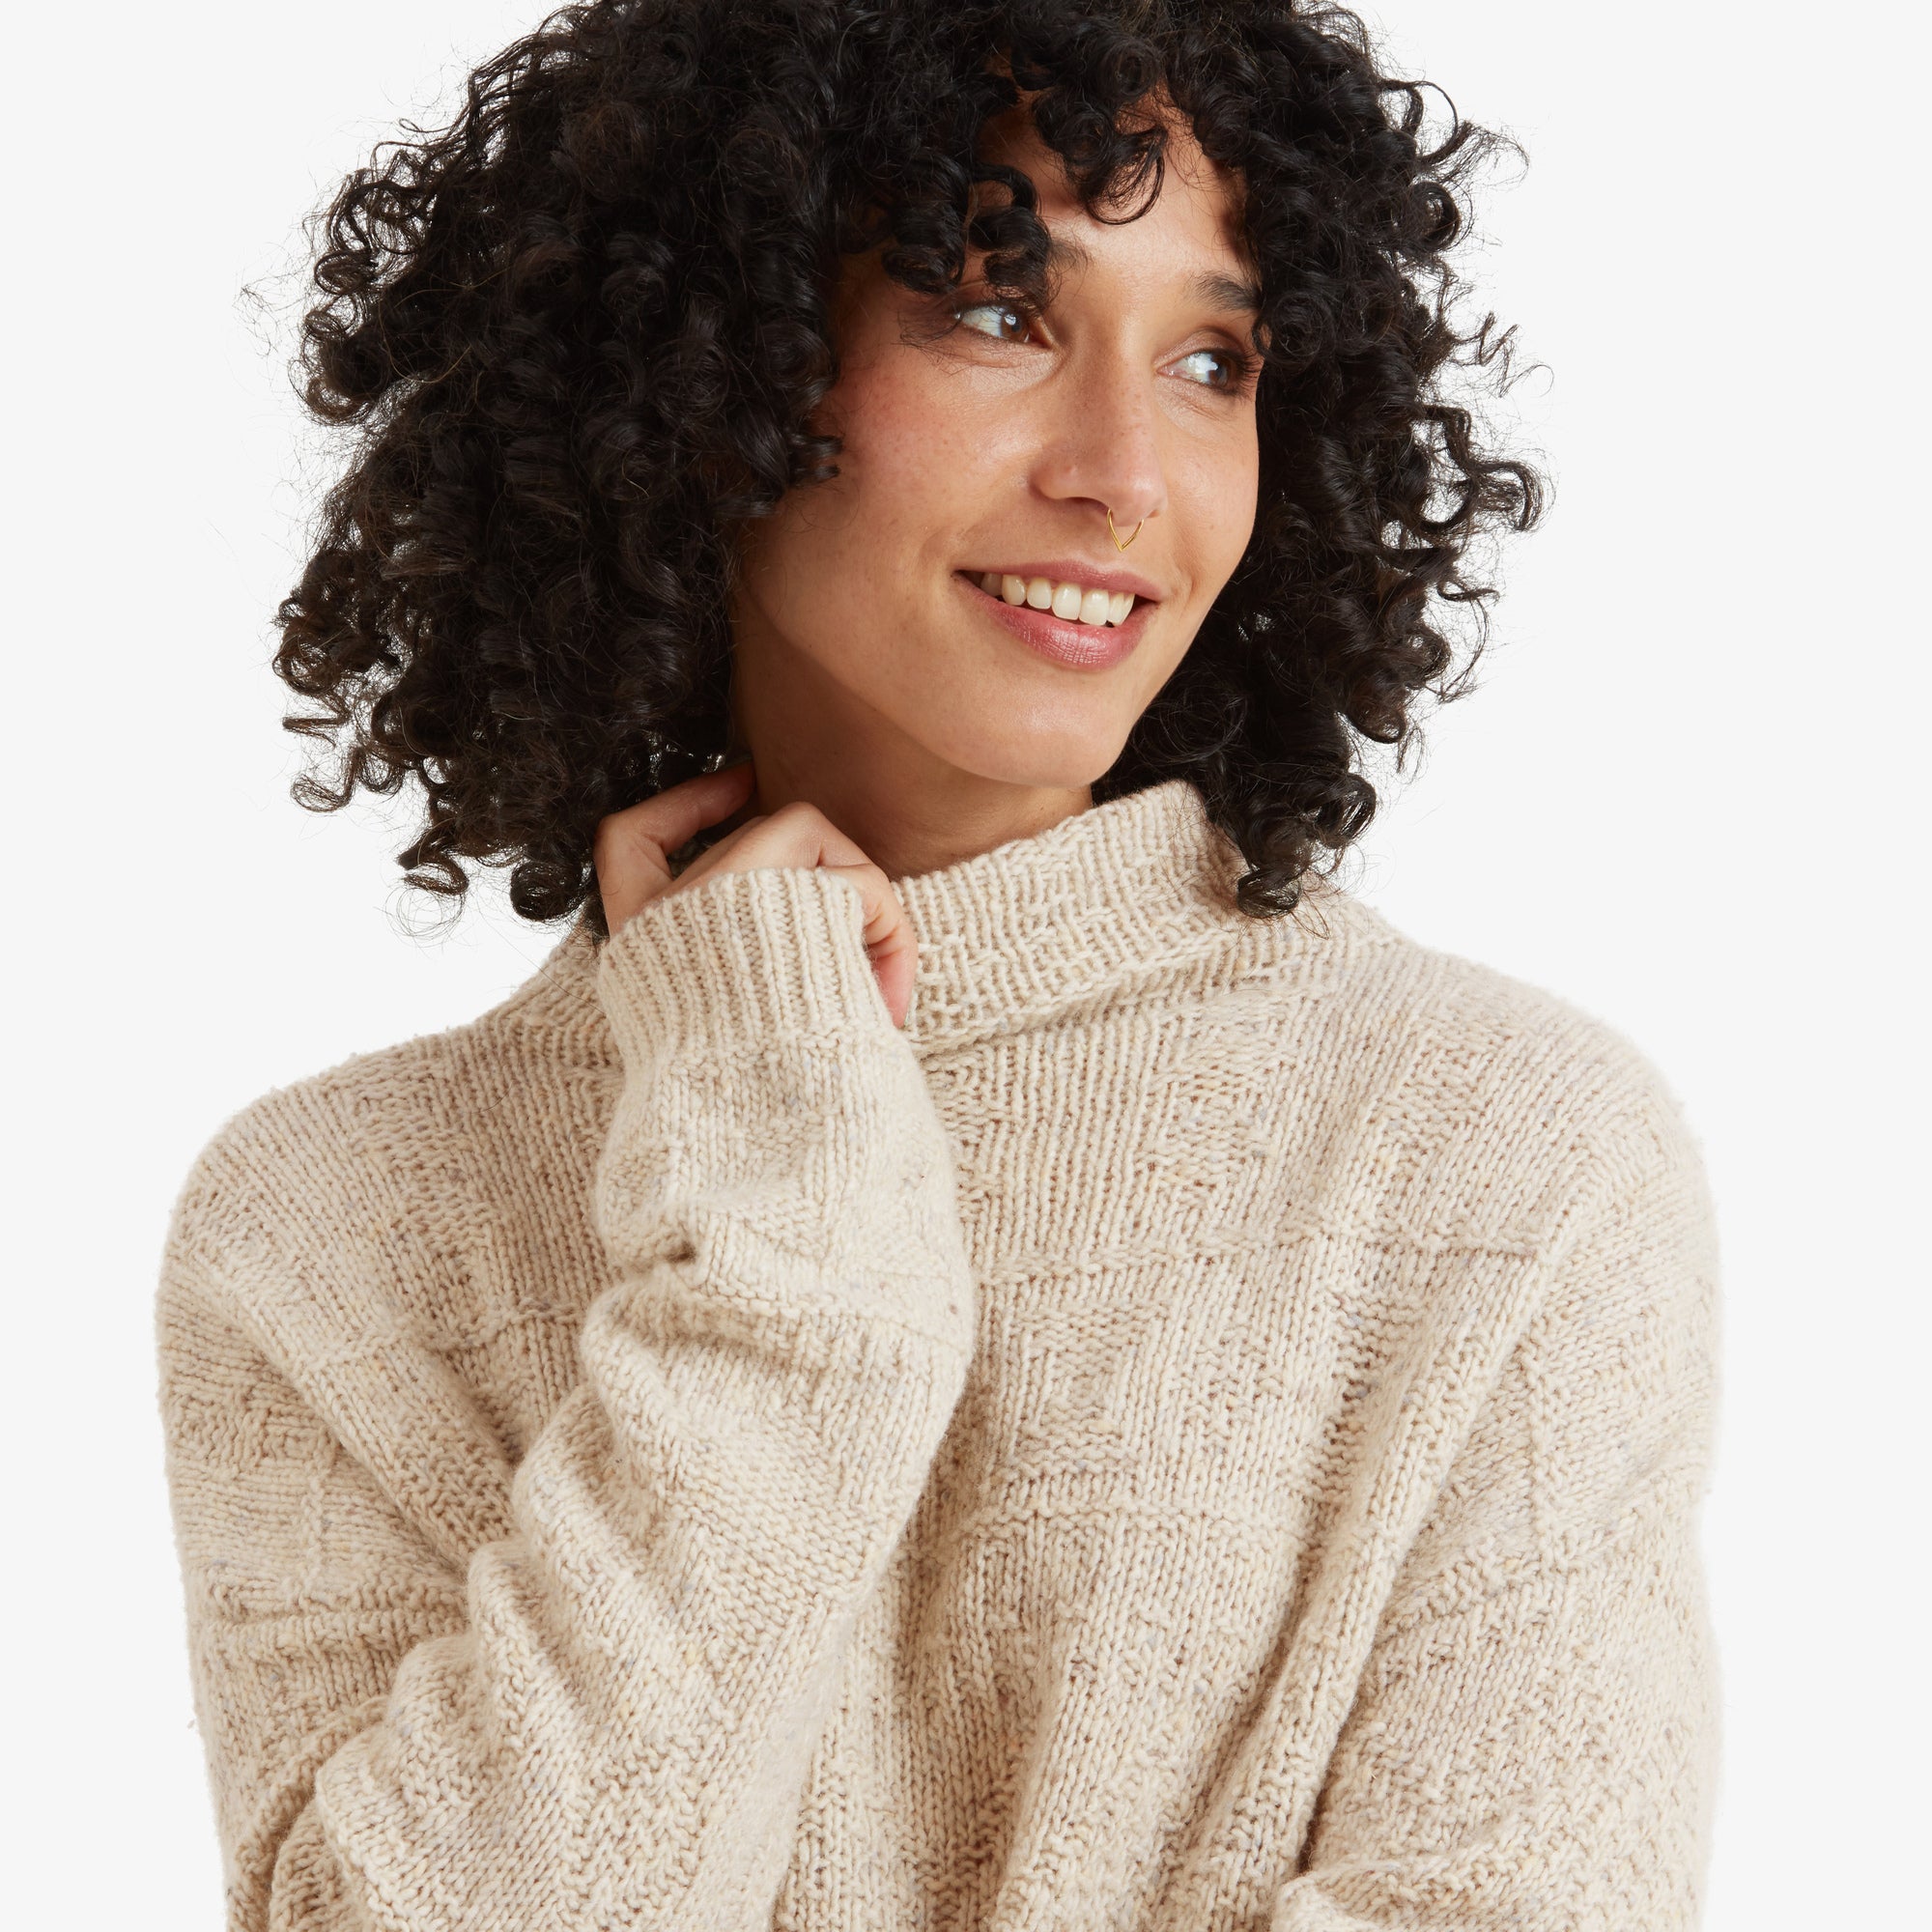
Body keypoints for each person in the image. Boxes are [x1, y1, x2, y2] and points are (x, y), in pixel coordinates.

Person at [156, 3, 1721, 1927]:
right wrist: (790, 1186)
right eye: (996, 309)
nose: (1126, 473)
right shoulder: (333, 1237)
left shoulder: (1504, 1167)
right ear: (699, 362)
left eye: (1213, 357)